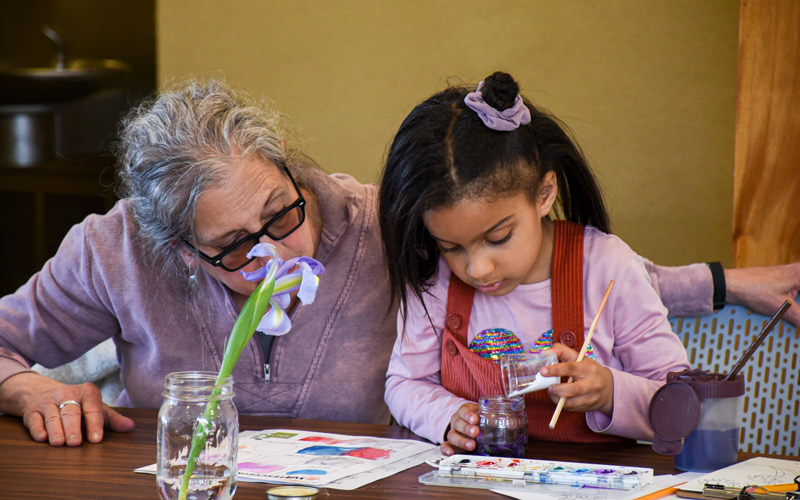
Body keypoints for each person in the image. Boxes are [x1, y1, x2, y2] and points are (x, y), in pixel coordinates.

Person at [0, 78, 797, 448]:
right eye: (239, 247)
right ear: (177, 247)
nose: (283, 250)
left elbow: (564, 274)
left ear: (291, 170)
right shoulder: (114, 250)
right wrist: (25, 381)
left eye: (283, 211)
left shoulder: (383, 223)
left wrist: (728, 283)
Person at [379, 71, 703, 454]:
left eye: (498, 238)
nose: (477, 268)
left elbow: (682, 405)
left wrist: (610, 391)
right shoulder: (436, 278)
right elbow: (403, 383)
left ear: (544, 194)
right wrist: (448, 415)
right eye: (451, 246)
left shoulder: (606, 266)